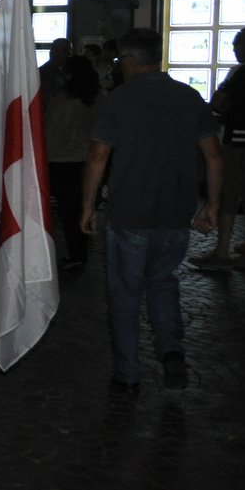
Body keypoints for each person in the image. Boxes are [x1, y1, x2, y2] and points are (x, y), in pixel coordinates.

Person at [80, 27, 222, 393]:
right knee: (162, 282)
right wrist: (212, 205)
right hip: (175, 211)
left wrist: (88, 205)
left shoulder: (118, 100)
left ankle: (127, 374)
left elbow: (98, 156)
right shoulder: (189, 97)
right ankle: (172, 350)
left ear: (128, 60)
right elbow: (213, 155)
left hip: (129, 211)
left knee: (125, 292)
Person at [192, 27, 245, 272]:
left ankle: (222, 251)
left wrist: (227, 109)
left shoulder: (241, 71)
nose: (233, 50)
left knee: (229, 194)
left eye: (235, 45)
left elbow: (218, 102)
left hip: (239, 139)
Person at [45, 55, 100, 270]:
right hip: (88, 160)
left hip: (63, 162)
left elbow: (51, 134)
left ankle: (76, 254)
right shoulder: (97, 99)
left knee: (69, 212)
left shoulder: (62, 101)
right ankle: (81, 250)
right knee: (82, 206)